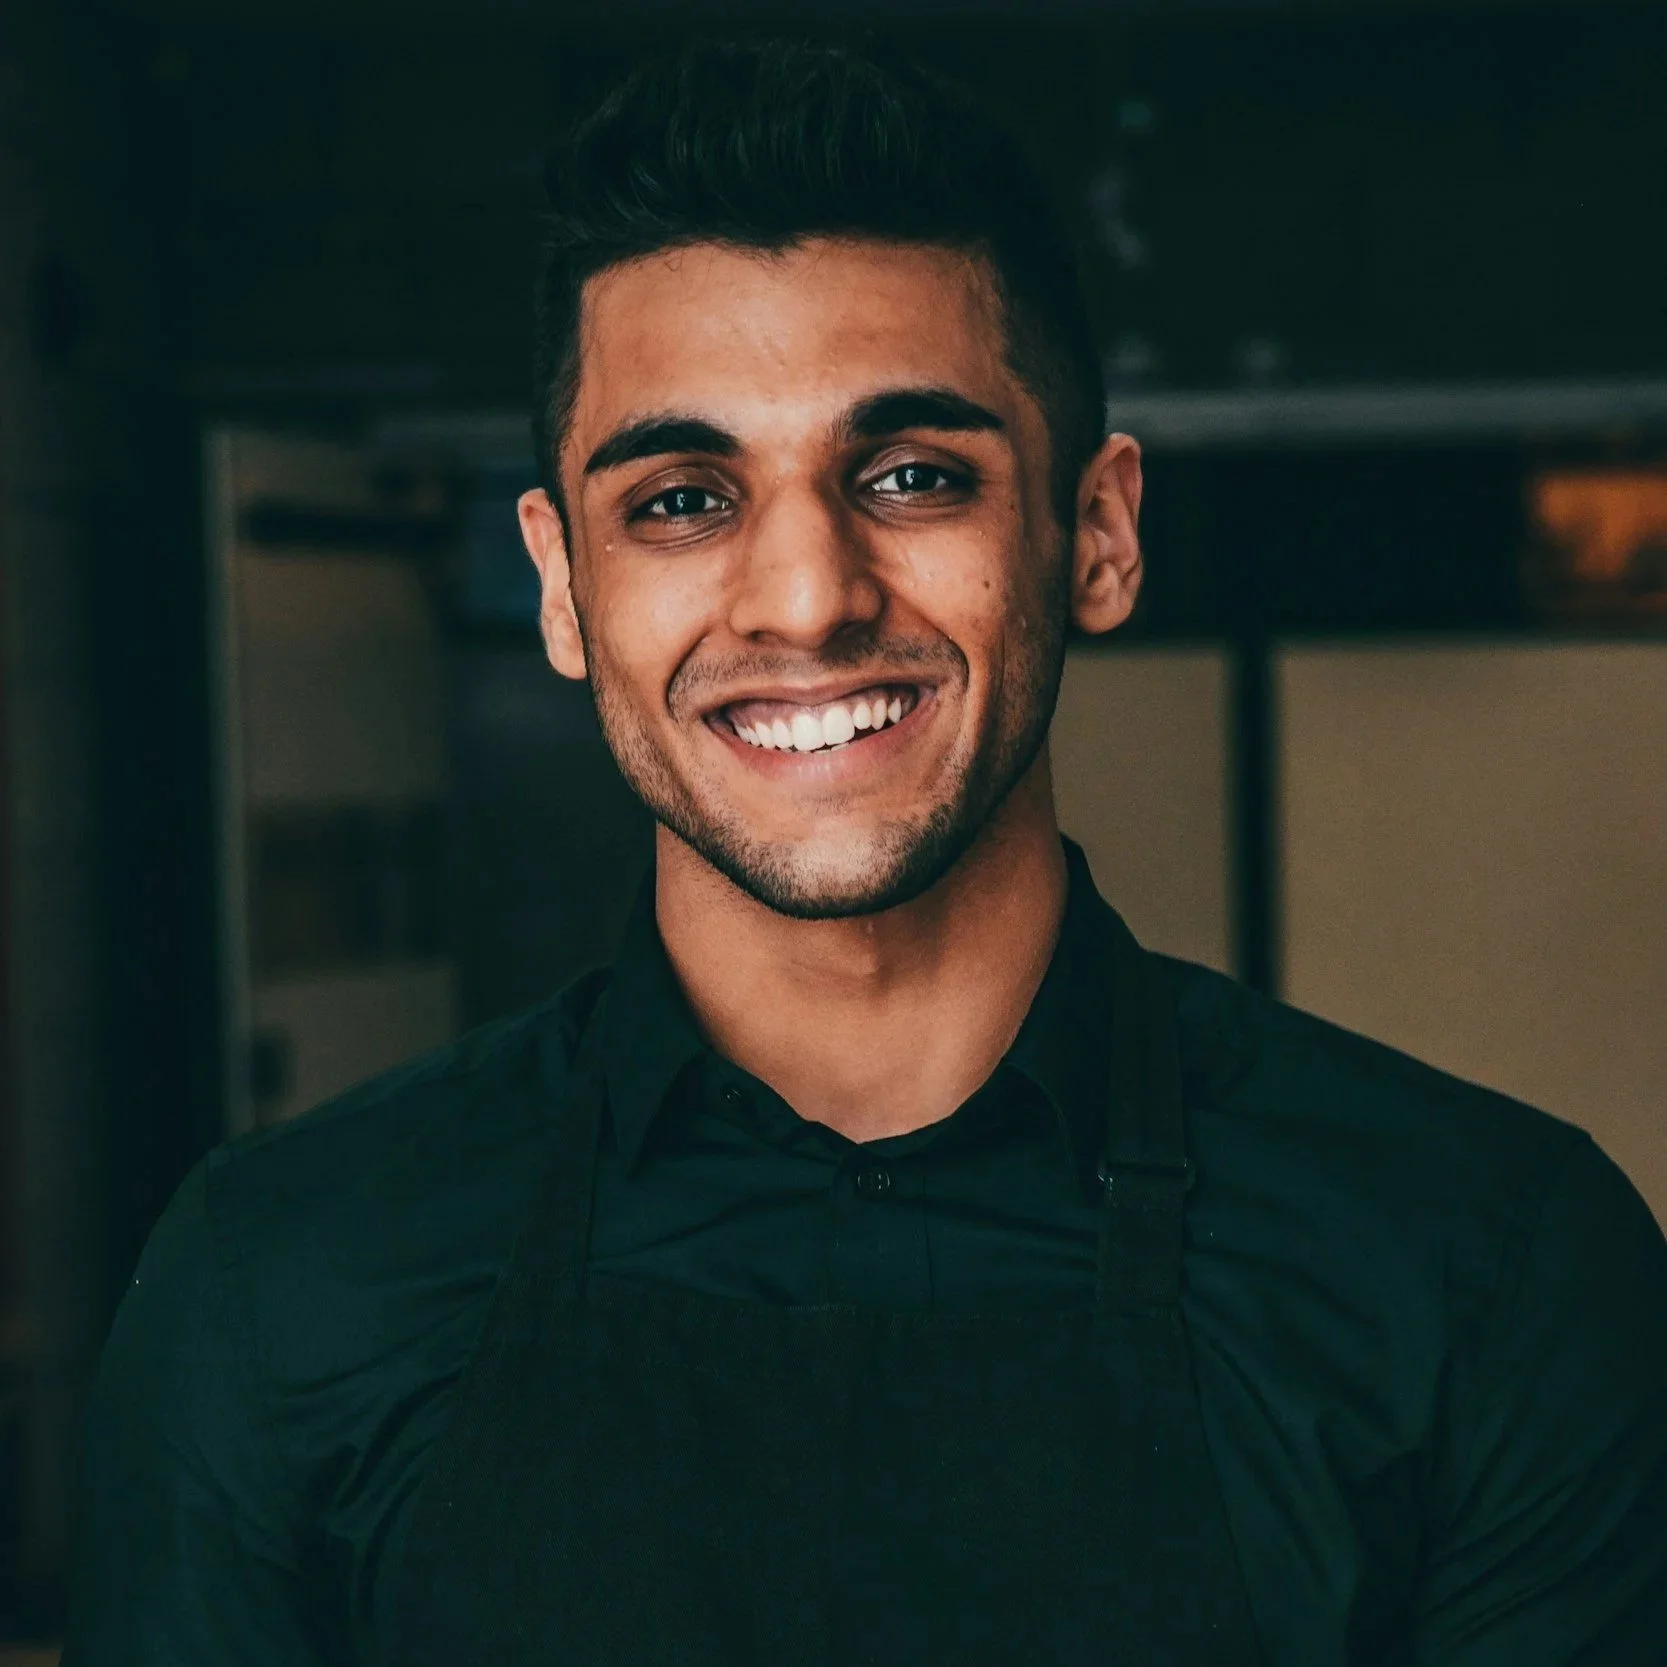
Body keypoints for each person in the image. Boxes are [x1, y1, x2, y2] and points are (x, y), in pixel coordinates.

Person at [66, 38, 1667, 1667]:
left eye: (910, 476)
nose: (806, 597)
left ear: (1096, 534)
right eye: (680, 500)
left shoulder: (1487, 1271)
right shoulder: (281, 1286)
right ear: (561, 585)